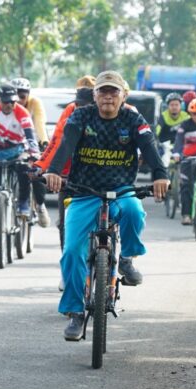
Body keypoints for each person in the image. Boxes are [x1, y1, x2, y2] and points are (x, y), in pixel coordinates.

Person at [43, 71, 168, 341]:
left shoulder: (133, 119)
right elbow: (66, 145)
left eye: (113, 92)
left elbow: (149, 146)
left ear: (124, 95)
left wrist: (161, 174)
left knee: (134, 211)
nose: (108, 97)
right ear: (95, 95)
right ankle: (76, 313)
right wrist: (54, 170)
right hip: (84, 192)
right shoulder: (81, 116)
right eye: (102, 91)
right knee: (72, 251)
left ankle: (126, 259)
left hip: (121, 189)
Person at [35, 75, 95, 251]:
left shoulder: (110, 114)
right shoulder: (70, 111)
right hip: (68, 170)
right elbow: (57, 141)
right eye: (78, 104)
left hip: (99, 173)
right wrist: (41, 166)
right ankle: (67, 254)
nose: (80, 109)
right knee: (64, 221)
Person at [0, 83, 41, 251]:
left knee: (24, 167)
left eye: (12, 102)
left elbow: (30, 136)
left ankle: (23, 202)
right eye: (5, 102)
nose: (9, 105)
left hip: (17, 151)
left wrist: (34, 153)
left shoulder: (21, 112)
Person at [11, 77, 51, 228]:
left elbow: (39, 123)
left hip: (33, 140)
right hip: (13, 145)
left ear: (28, 95)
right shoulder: (7, 105)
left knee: (36, 170)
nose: (19, 100)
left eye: (22, 96)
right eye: (16, 96)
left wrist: (43, 142)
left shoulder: (35, 103)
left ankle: (40, 204)